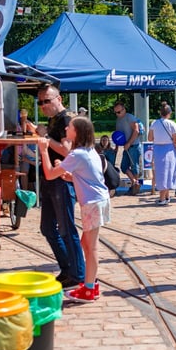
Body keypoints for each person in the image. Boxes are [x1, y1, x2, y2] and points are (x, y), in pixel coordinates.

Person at [37, 116, 110, 303]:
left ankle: (89, 289)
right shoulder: (88, 151)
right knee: (86, 244)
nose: (66, 129)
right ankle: (89, 283)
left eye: (69, 127)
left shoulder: (77, 154)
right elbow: (81, 177)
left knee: (91, 248)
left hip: (92, 204)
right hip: (97, 201)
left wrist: (44, 151)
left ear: (76, 132)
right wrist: (66, 174)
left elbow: (49, 175)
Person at [36, 85, 85, 289]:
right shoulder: (53, 120)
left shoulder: (66, 119)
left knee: (66, 228)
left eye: (47, 101)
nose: (43, 106)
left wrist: (46, 139)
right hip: (49, 178)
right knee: (47, 228)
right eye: (40, 102)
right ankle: (68, 268)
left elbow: (67, 151)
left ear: (59, 99)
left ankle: (78, 273)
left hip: (61, 180)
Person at [148, 103, 176, 205]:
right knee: (169, 173)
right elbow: (175, 140)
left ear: (160, 113)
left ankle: (164, 197)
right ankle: (165, 197)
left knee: (161, 173)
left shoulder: (154, 123)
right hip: (170, 149)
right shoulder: (172, 124)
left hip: (158, 149)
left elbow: (150, 138)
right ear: (170, 113)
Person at [114, 101, 142, 195]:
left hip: (134, 146)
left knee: (134, 166)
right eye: (116, 112)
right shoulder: (118, 120)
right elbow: (118, 135)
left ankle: (135, 186)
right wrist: (117, 147)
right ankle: (134, 182)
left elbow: (136, 130)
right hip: (126, 147)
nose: (117, 114)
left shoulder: (130, 117)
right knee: (123, 166)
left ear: (124, 109)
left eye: (119, 112)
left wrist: (129, 143)